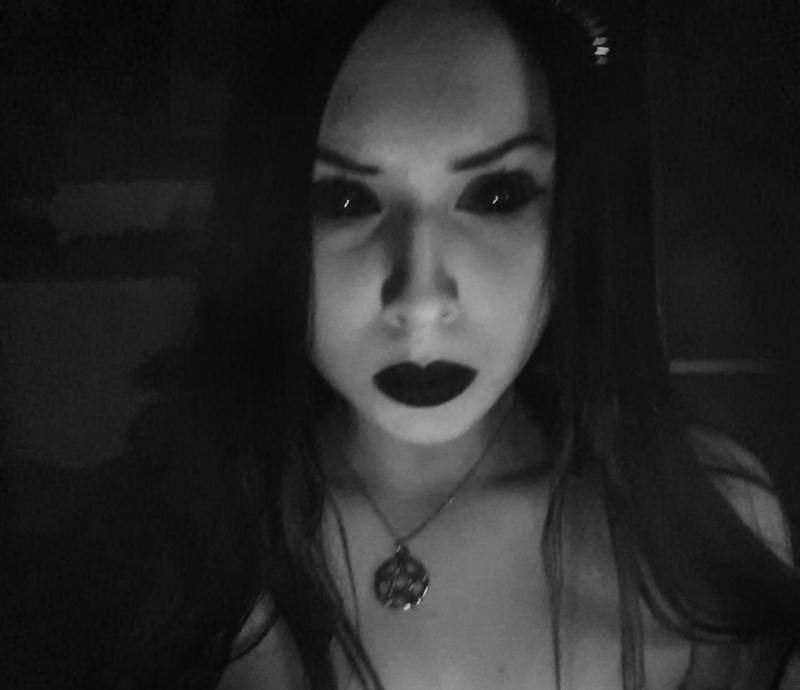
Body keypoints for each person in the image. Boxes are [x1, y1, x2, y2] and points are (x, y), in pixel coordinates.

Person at [3, 0, 799, 689]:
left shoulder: (703, 528)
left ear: (572, 220)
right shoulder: (162, 543)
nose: (419, 300)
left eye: (497, 194)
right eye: (345, 199)